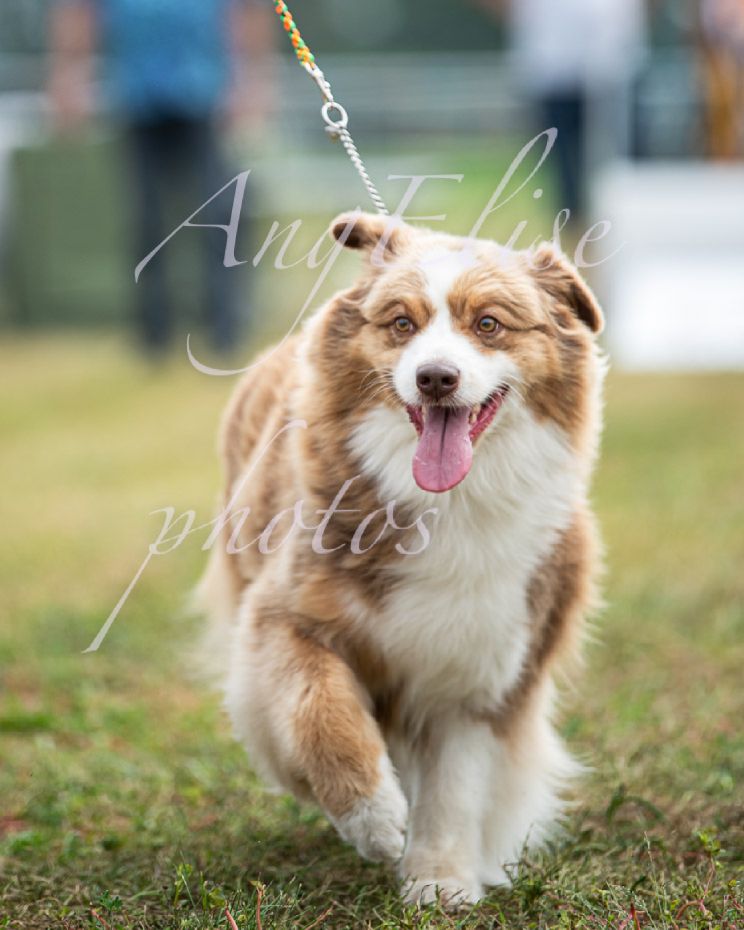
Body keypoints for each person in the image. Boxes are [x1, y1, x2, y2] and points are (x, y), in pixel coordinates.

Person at [48, 0, 274, 355]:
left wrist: (252, 83)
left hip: (204, 94)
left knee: (219, 217)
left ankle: (226, 331)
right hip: (138, 96)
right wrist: (68, 77)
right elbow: (78, 13)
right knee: (146, 222)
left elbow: (247, 12)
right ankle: (153, 337)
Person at [474, 0, 647, 226]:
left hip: (613, 63)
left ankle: (619, 230)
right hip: (552, 65)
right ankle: (576, 233)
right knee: (565, 175)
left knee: (626, 170)